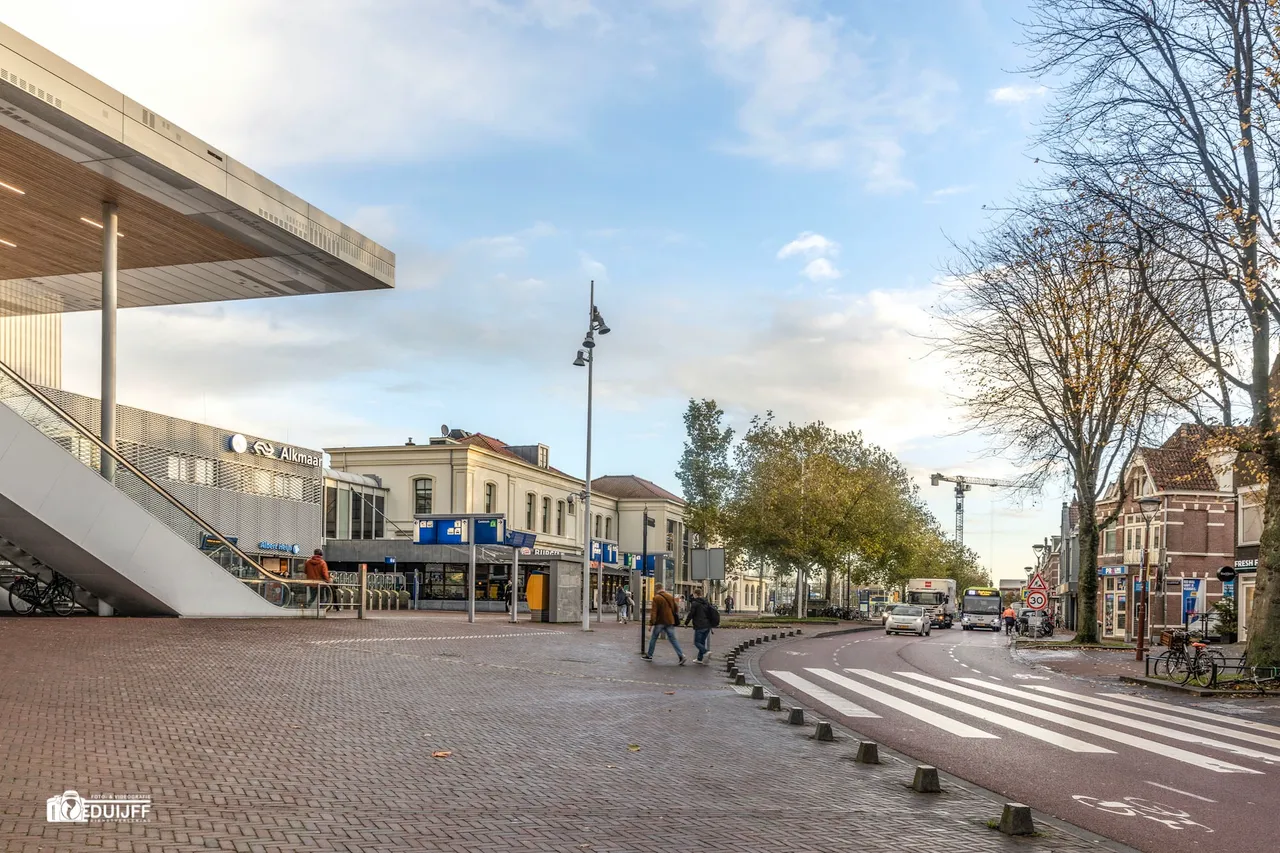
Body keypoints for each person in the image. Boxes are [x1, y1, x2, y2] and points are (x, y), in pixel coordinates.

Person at [643, 582, 686, 665]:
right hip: (670, 621)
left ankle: (649, 655)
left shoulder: (656, 598)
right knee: (673, 639)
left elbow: (654, 612)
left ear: (656, 589)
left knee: (654, 638)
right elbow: (676, 608)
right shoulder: (670, 596)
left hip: (660, 621)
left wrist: (651, 624)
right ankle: (681, 655)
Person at [684, 587, 717, 664]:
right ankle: (699, 659)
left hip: (700, 625)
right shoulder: (706, 602)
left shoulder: (695, 603)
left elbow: (691, 614)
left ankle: (706, 652)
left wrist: (686, 623)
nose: (693, 595)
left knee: (697, 642)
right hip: (707, 626)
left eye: (693, 594)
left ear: (695, 594)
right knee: (702, 642)